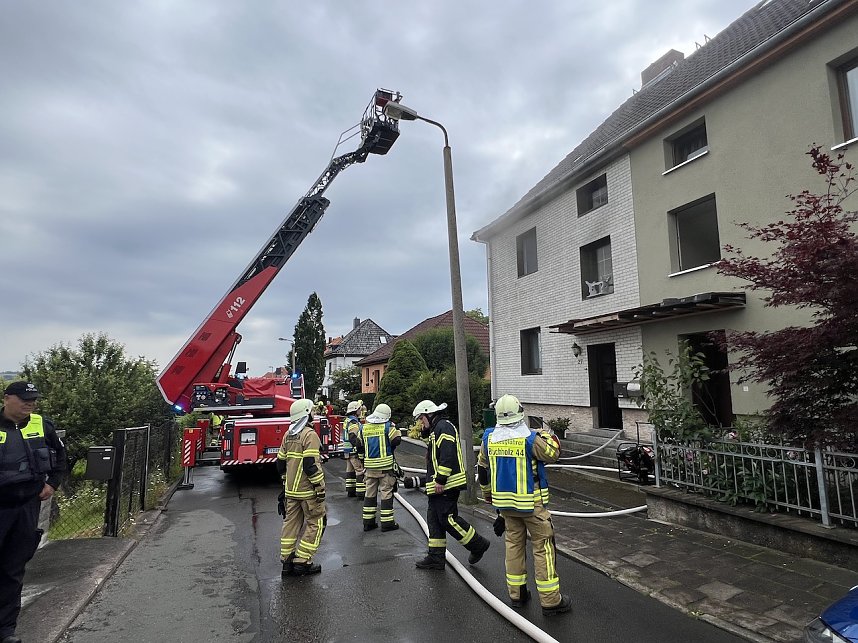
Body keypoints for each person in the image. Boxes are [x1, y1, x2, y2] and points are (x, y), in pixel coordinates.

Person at [477, 394, 571, 616]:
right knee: (543, 548)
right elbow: (553, 453)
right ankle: (550, 601)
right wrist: (547, 435)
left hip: (506, 507)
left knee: (513, 547)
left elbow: (482, 469)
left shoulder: (489, 438)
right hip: (532, 506)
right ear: (520, 414)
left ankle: (517, 594)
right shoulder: (529, 439)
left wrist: (487, 495)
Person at [0, 381, 67, 643]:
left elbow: (61, 456)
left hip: (26, 507)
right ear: (7, 398)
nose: (30, 403)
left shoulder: (42, 425)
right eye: (24, 398)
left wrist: (52, 483)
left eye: (33, 399)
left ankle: (6, 629)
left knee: (13, 570)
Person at [412, 400, 490, 571]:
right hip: (438, 486)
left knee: (448, 519)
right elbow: (433, 448)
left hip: (447, 485)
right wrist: (426, 430)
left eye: (421, 419)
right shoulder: (436, 428)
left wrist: (440, 479)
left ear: (428, 414)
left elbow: (447, 455)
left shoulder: (444, 427)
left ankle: (478, 544)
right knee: (434, 521)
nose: (420, 422)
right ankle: (436, 557)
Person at [276, 398, 326, 576]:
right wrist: (319, 487)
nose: (314, 414)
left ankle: (287, 562)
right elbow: (311, 464)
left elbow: (280, 463)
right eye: (312, 411)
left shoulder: (287, 434)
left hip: (291, 491)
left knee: (291, 524)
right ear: (306, 414)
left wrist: (285, 483)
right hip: (307, 491)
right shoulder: (309, 434)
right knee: (317, 522)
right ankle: (302, 561)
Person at [356, 403, 400, 532]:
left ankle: (368, 523)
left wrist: (362, 460)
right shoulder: (388, 427)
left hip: (369, 468)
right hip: (385, 468)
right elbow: (397, 440)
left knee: (369, 494)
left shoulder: (364, 428)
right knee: (386, 493)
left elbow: (359, 445)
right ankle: (387, 523)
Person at [343, 400, 366, 499]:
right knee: (359, 470)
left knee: (350, 470)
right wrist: (359, 448)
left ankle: (351, 491)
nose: (360, 411)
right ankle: (361, 493)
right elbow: (353, 436)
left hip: (347, 451)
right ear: (355, 410)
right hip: (353, 451)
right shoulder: (353, 421)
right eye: (359, 409)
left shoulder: (347, 420)